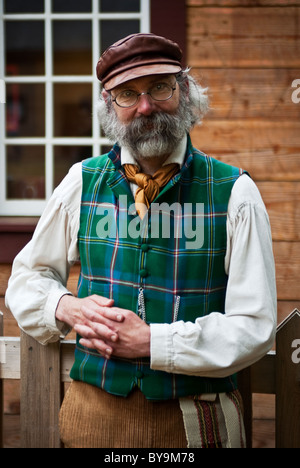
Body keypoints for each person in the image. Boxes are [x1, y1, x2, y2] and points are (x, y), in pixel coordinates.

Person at [5, 33, 277, 449]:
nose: (146, 106)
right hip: (93, 421)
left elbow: (254, 325)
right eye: (127, 94)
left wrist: (153, 342)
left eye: (159, 87)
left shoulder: (235, 192)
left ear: (183, 90)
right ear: (109, 106)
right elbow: (26, 278)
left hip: (197, 423)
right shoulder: (82, 182)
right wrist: (66, 306)